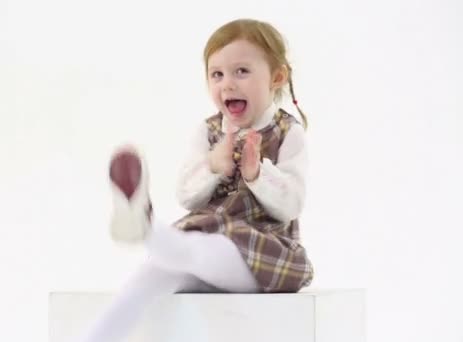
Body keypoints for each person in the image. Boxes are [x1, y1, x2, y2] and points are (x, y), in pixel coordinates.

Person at [76, 18, 314, 342]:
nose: (227, 84)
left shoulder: (288, 132)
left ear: (276, 76)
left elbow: (292, 203)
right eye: (217, 74)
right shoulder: (209, 131)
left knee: (200, 250)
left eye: (241, 71)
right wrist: (214, 165)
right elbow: (187, 195)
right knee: (149, 278)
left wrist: (258, 173)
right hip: (203, 236)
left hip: (261, 254)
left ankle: (148, 228)